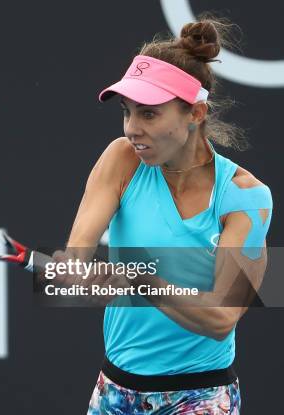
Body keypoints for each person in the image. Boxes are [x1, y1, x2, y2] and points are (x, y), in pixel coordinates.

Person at [57, 17, 273, 414]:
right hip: (114, 392)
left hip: (199, 397)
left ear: (195, 113)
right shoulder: (121, 158)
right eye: (127, 112)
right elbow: (76, 257)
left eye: (149, 114)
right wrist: (72, 271)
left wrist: (141, 279)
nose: (132, 129)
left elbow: (221, 317)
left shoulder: (246, 196)